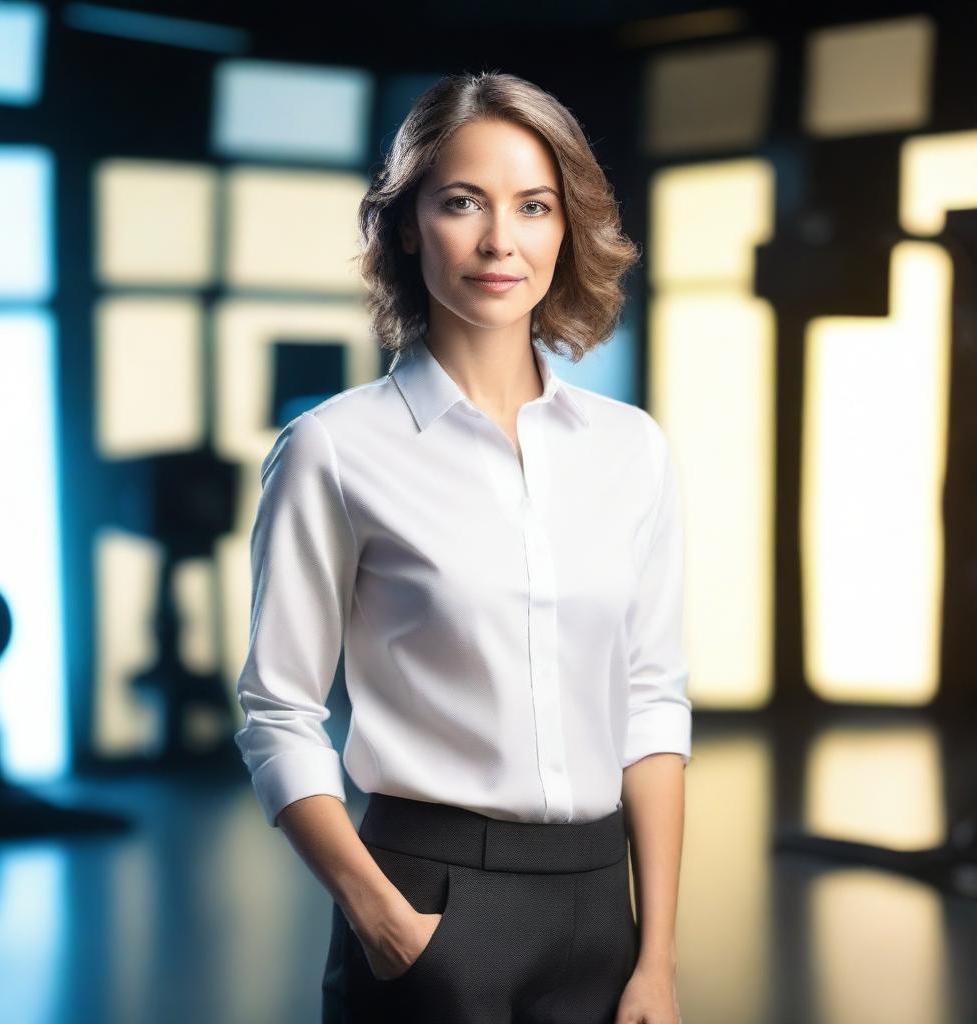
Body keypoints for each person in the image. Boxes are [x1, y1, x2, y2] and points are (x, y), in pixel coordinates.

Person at [233, 69, 693, 1024]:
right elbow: (278, 712)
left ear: (566, 228)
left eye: (533, 206)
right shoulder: (333, 449)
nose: (499, 241)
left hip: (603, 907)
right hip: (427, 900)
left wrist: (658, 956)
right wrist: (384, 922)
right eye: (461, 203)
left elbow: (652, 704)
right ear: (408, 225)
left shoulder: (632, 449)